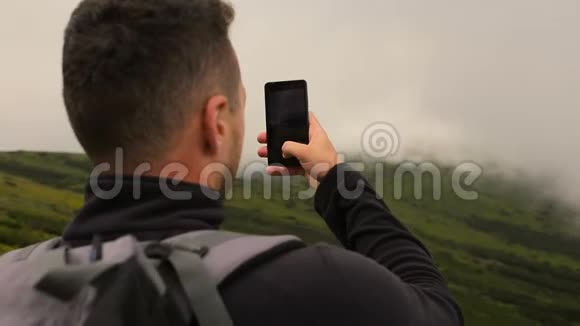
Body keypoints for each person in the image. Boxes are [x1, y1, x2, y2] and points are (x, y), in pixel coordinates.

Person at [54, 0, 463, 325]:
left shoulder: (10, 282)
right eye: (238, 105)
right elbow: (437, 308)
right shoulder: (316, 287)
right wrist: (335, 180)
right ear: (215, 122)